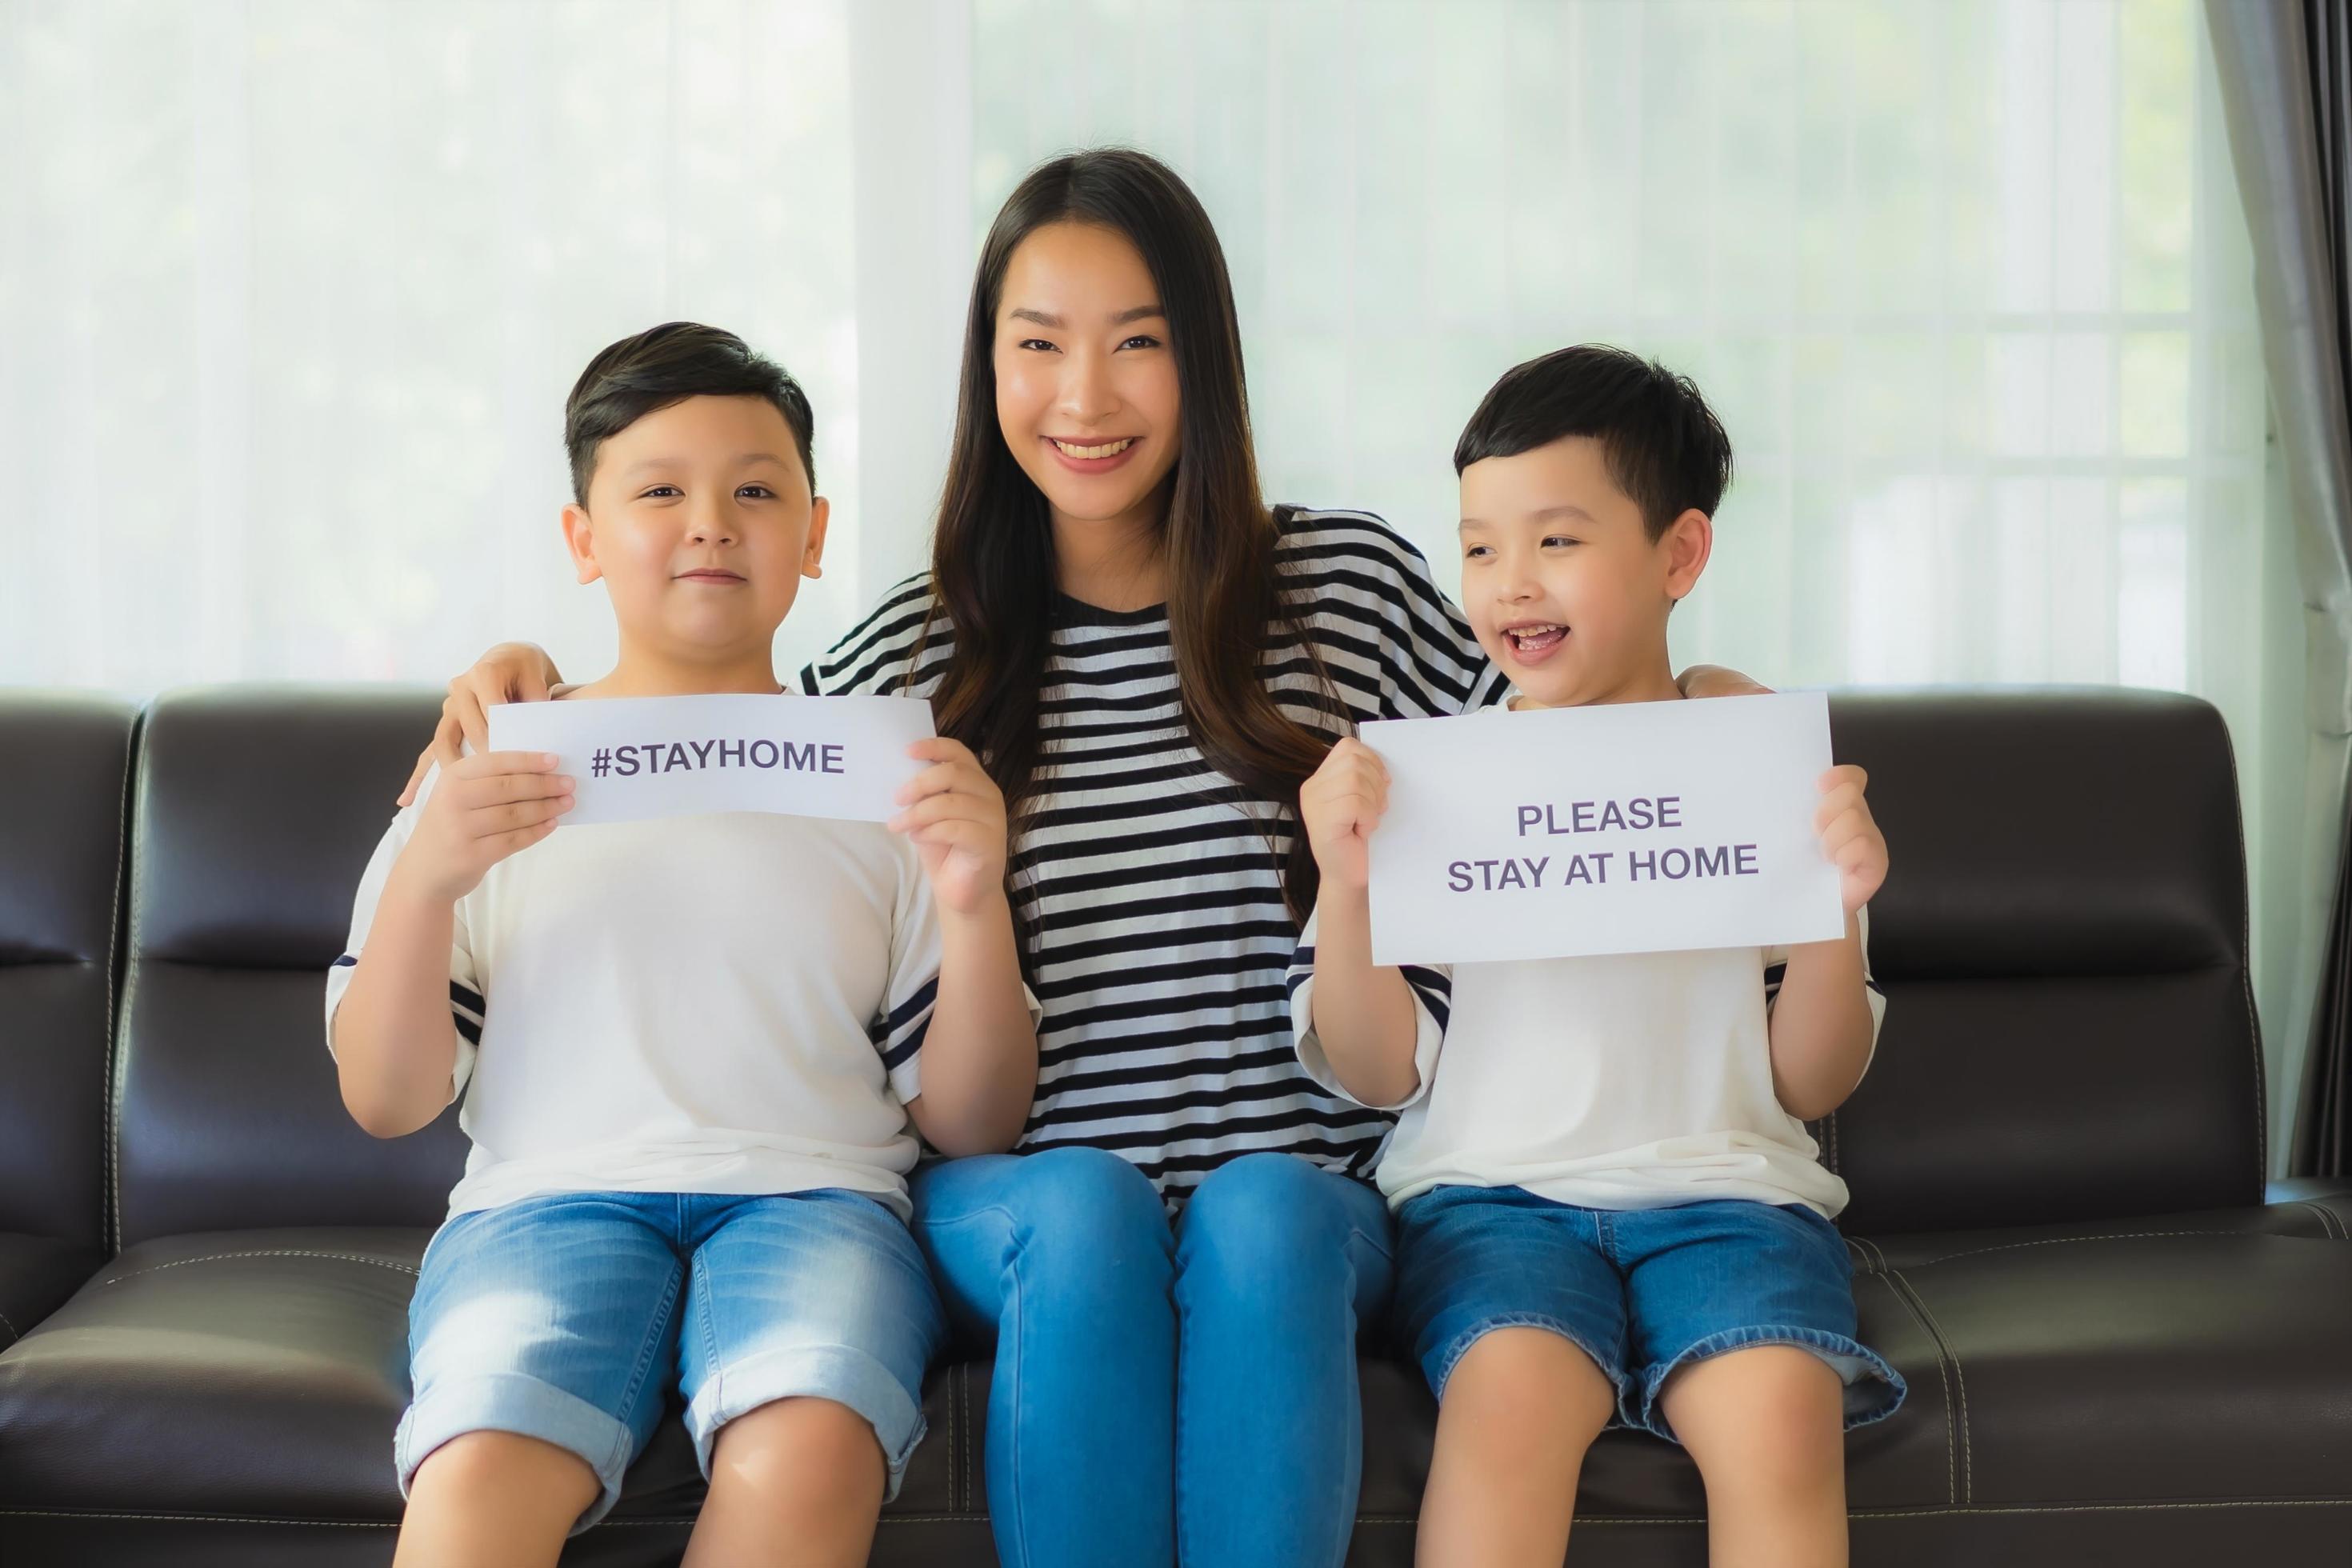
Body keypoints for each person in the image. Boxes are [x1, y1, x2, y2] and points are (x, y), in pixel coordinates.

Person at [402, 151, 1770, 1568]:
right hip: (1027, 1204)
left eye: (1139, 345)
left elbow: (1571, 742)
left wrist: (1719, 711)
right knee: (1079, 1199)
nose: (1085, 397)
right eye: (1037, 345)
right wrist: (528, 679)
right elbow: (709, 751)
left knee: (1262, 1204)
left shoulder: (1348, 591)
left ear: (1207, 363)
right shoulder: (906, 656)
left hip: (1304, 1196)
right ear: (988, 371)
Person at [328, 322, 1037, 1568]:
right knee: (481, 1466)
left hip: (813, 1200)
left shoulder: (887, 781)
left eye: (756, 492)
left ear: (813, 535)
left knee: (811, 1444)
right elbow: (385, 1101)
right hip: (540, 1208)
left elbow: (972, 1119)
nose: (711, 522)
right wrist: (429, 879)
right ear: (583, 540)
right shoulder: (485, 769)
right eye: (660, 491)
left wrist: (976, 904)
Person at [1290, 344, 1905, 1568]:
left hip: (1734, 1197)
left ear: (1679, 555)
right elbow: (1375, 1070)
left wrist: (1837, 908)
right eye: (1479, 547)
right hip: (1494, 1202)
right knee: (1511, 1399)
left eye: (1557, 541)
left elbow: (1812, 1082)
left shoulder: (1750, 759)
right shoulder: (1438, 779)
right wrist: (1349, 888)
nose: (1511, 583)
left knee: (1779, 1414)